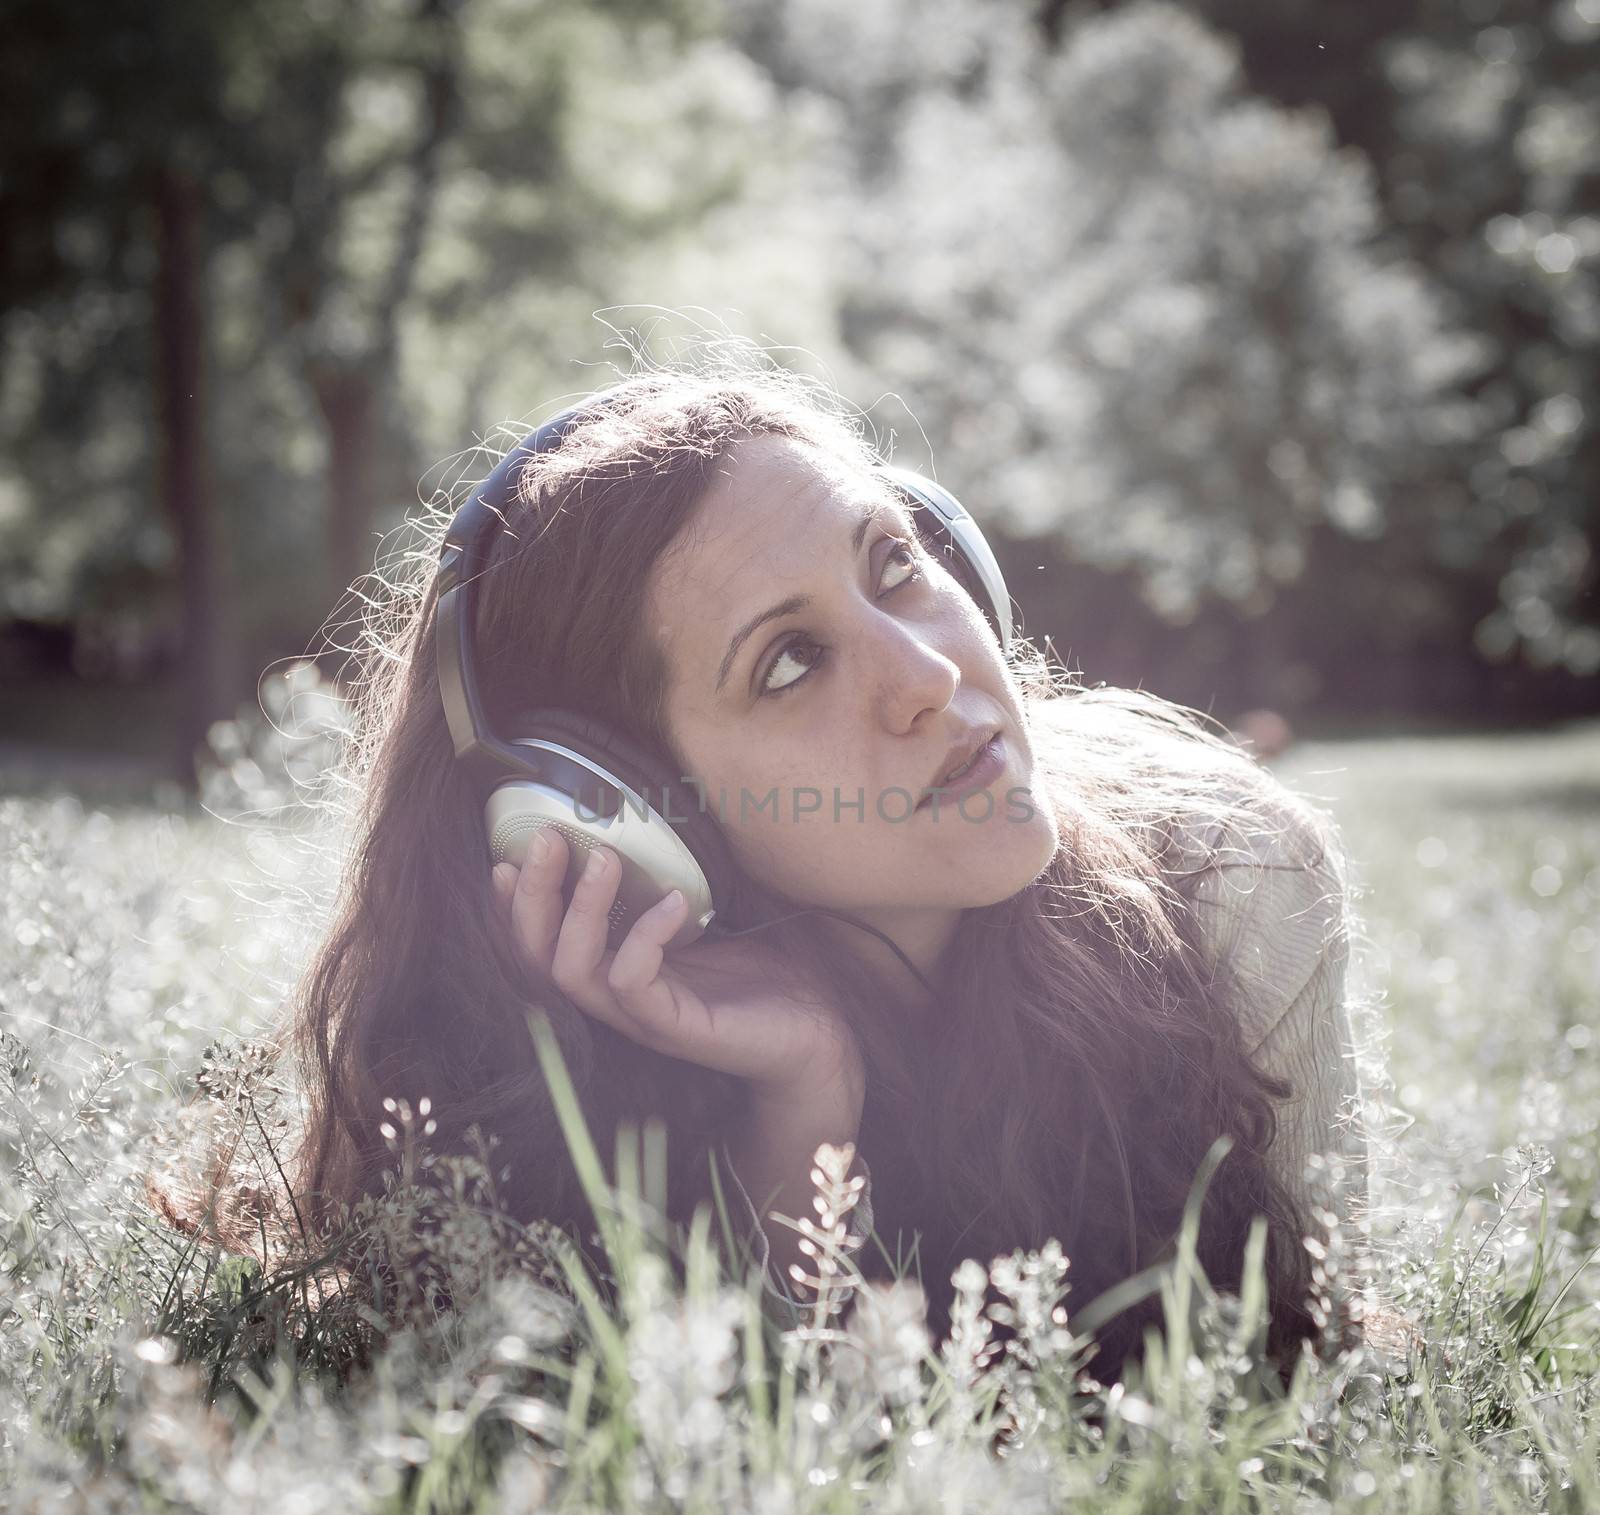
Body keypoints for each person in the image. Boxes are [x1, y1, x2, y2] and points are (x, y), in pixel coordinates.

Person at [284, 358, 1372, 1386]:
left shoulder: (1229, 872)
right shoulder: (562, 1087)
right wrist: (803, 1098)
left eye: (894, 565)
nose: (930, 674)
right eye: (789, 662)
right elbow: (729, 1494)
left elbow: (1317, 1378)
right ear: (624, 813)